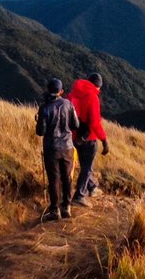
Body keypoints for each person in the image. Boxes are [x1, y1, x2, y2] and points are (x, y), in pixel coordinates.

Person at [35, 78, 80, 221]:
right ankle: (66, 206)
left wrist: (38, 120)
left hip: (51, 148)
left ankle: (55, 210)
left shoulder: (45, 108)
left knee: (54, 179)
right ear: (61, 91)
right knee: (67, 178)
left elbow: (40, 132)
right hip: (67, 147)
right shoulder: (69, 104)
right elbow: (76, 125)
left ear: (48, 90)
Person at [68, 73, 110, 206]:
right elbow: (95, 123)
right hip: (88, 138)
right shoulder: (93, 97)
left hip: (74, 137)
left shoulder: (73, 93)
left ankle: (92, 187)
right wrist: (104, 140)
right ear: (97, 87)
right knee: (87, 167)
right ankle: (79, 196)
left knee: (84, 165)